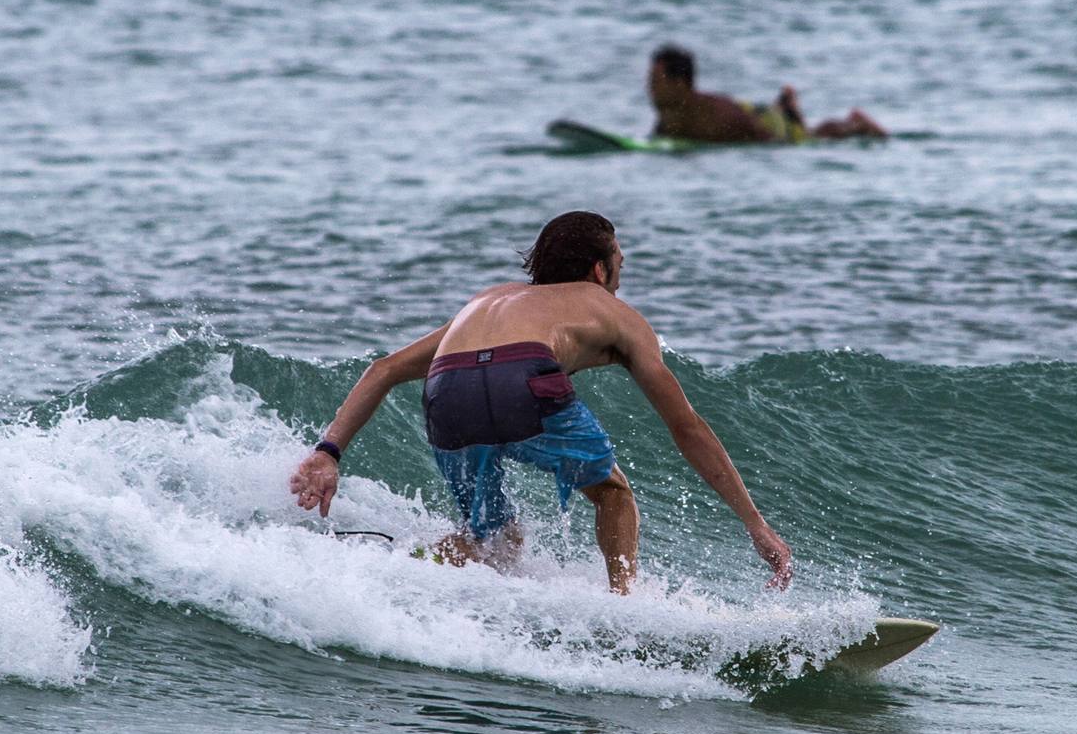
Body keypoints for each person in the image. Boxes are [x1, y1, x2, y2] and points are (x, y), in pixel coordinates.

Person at [288, 211, 792, 595]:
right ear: (600, 269)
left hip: (446, 388)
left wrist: (327, 451)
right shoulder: (610, 309)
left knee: (495, 541)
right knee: (613, 494)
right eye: (619, 261)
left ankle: (395, 575)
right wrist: (755, 524)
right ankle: (626, 608)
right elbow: (688, 427)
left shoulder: (487, 300)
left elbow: (385, 368)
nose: (622, 272)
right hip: (522, 374)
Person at [647, 44, 887, 143]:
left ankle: (855, 124)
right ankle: (786, 106)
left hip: (763, 122)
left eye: (656, 82)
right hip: (750, 112)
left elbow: (766, 138)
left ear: (679, 83)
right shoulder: (670, 115)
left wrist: (788, 139)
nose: (650, 90)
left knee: (810, 136)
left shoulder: (714, 113)